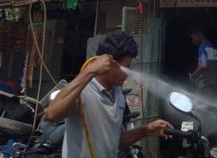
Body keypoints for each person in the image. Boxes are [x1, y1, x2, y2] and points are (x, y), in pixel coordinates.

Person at [45, 30, 172, 158]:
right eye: (125, 67)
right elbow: (52, 114)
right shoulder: (83, 90)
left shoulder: (118, 95)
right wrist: (89, 71)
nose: (128, 73)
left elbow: (116, 142)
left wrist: (146, 130)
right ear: (107, 64)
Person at [188, 27, 217, 94]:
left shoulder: (203, 47)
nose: (192, 41)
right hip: (214, 88)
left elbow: (203, 65)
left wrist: (193, 77)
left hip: (205, 89)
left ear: (199, 35)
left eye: (193, 38)